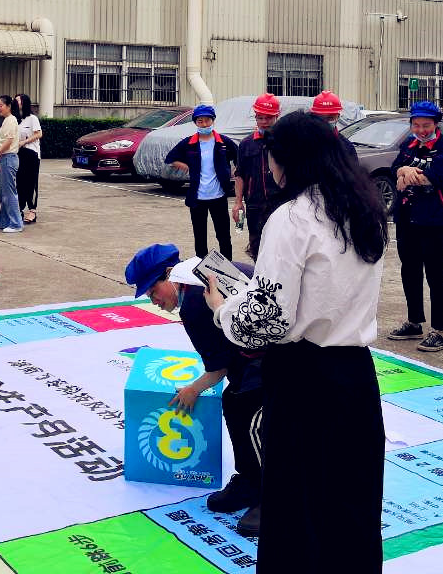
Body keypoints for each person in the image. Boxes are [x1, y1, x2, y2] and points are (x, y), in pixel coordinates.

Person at [205, 111, 387, 572]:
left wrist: (223, 309)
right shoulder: (363, 209)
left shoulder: (293, 217)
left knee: (297, 505)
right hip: (356, 374)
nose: (267, 167)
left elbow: (267, 319)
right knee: (351, 499)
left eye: (271, 157)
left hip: (304, 377)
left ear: (287, 160)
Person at [124, 243, 263, 537]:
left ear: (168, 274)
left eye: (153, 292)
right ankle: (250, 480)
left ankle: (272, 495)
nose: (154, 301)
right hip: (254, 352)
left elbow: (218, 369)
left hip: (280, 357)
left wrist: (192, 390)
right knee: (234, 402)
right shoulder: (202, 272)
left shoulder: (194, 303)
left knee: (251, 415)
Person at [386, 100, 443, 352]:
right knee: (410, 270)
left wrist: (407, 175)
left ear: (436, 124)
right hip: (407, 217)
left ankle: (440, 331)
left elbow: (436, 176)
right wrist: (403, 170)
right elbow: (395, 167)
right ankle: (414, 320)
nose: (421, 130)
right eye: (416, 125)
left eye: (426, 125)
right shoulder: (409, 144)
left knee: (437, 275)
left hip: (433, 219)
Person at [165, 104, 239, 261]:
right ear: (195, 123)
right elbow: (170, 158)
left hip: (218, 196)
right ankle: (201, 266)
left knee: (224, 235)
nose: (204, 124)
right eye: (200, 121)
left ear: (213, 121)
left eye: (207, 120)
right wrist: (184, 165)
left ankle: (228, 267)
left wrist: (235, 171)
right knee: (200, 236)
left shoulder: (223, 142)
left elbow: (239, 157)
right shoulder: (189, 143)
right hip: (197, 198)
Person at [232, 93, 281, 260]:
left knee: (279, 245)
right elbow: (240, 175)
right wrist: (238, 202)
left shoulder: (285, 142)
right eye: (260, 118)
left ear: (277, 116)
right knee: (256, 245)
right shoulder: (246, 144)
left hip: (279, 204)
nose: (264, 122)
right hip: (255, 205)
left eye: (269, 118)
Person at [0, 95, 23, 233]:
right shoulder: (7, 120)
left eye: (0, 105)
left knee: (9, 192)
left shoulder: (11, 120)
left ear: (8, 106)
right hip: (5, 158)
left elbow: (8, 142)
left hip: (8, 158)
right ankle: (4, 221)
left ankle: (16, 224)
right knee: (3, 192)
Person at [15, 93, 42, 224]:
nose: (15, 103)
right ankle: (19, 209)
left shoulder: (32, 118)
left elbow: (39, 134)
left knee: (31, 182)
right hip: (19, 154)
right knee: (20, 182)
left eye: (18, 101)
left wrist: (24, 142)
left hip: (31, 154)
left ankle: (32, 211)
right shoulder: (15, 119)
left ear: (24, 103)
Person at [311, 89, 357, 159]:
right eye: (321, 117)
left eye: (330, 117)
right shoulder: (304, 142)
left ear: (338, 117)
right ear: (313, 116)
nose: (325, 122)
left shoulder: (346, 147)